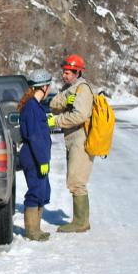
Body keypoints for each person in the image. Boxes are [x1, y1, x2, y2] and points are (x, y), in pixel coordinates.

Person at [49, 54, 94, 233]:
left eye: (68, 72)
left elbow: (80, 115)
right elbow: (53, 104)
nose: (64, 75)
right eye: (64, 71)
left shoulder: (82, 89)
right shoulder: (69, 88)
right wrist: (65, 102)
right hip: (73, 139)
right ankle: (80, 220)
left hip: (81, 138)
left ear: (77, 72)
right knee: (74, 179)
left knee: (77, 180)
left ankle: (81, 222)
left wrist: (56, 121)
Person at [17, 71, 53, 241]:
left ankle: (36, 228)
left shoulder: (35, 106)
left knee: (43, 191)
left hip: (38, 155)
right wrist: (42, 160)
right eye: (49, 86)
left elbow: (39, 130)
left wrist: (48, 121)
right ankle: (32, 231)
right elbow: (35, 136)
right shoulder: (31, 106)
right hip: (33, 156)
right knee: (35, 191)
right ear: (44, 87)